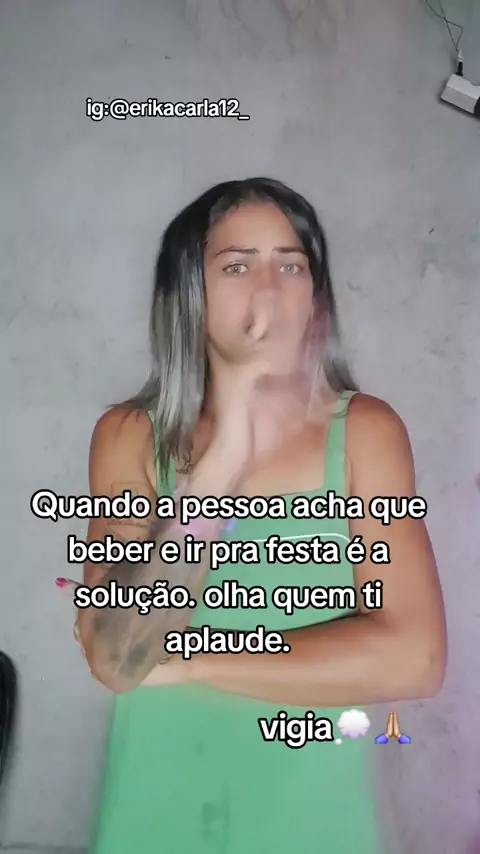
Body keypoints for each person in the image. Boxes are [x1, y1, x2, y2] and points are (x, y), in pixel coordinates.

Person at [71, 178, 447, 853]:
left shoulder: (365, 432)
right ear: (189, 294)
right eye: (238, 266)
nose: (269, 288)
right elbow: (117, 653)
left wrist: (191, 657)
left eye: (291, 265)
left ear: (315, 296)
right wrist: (223, 460)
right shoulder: (130, 435)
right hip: (155, 817)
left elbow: (414, 657)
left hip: (314, 824)